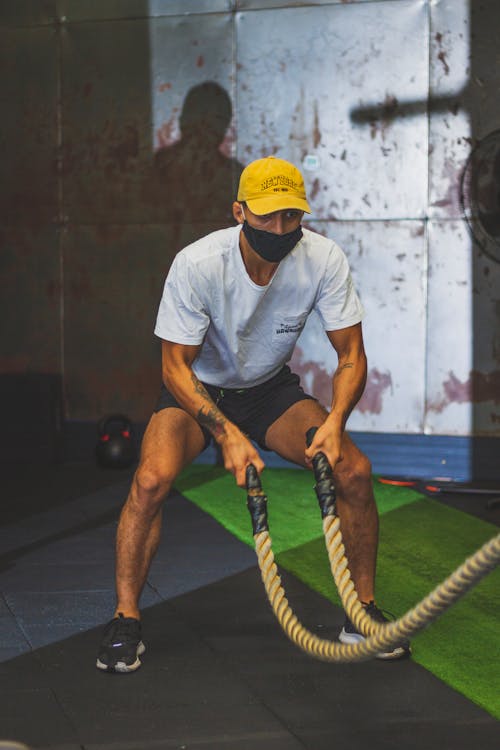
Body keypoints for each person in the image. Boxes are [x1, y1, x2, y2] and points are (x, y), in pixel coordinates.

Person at [96, 155, 411, 673]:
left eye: (291, 216)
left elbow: (351, 355)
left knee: (352, 470)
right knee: (150, 480)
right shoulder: (197, 264)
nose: (280, 227)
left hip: (269, 392)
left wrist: (334, 424)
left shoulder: (323, 259)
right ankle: (125, 617)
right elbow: (175, 366)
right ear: (239, 211)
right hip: (197, 394)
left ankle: (361, 614)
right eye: (266, 216)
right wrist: (225, 434)